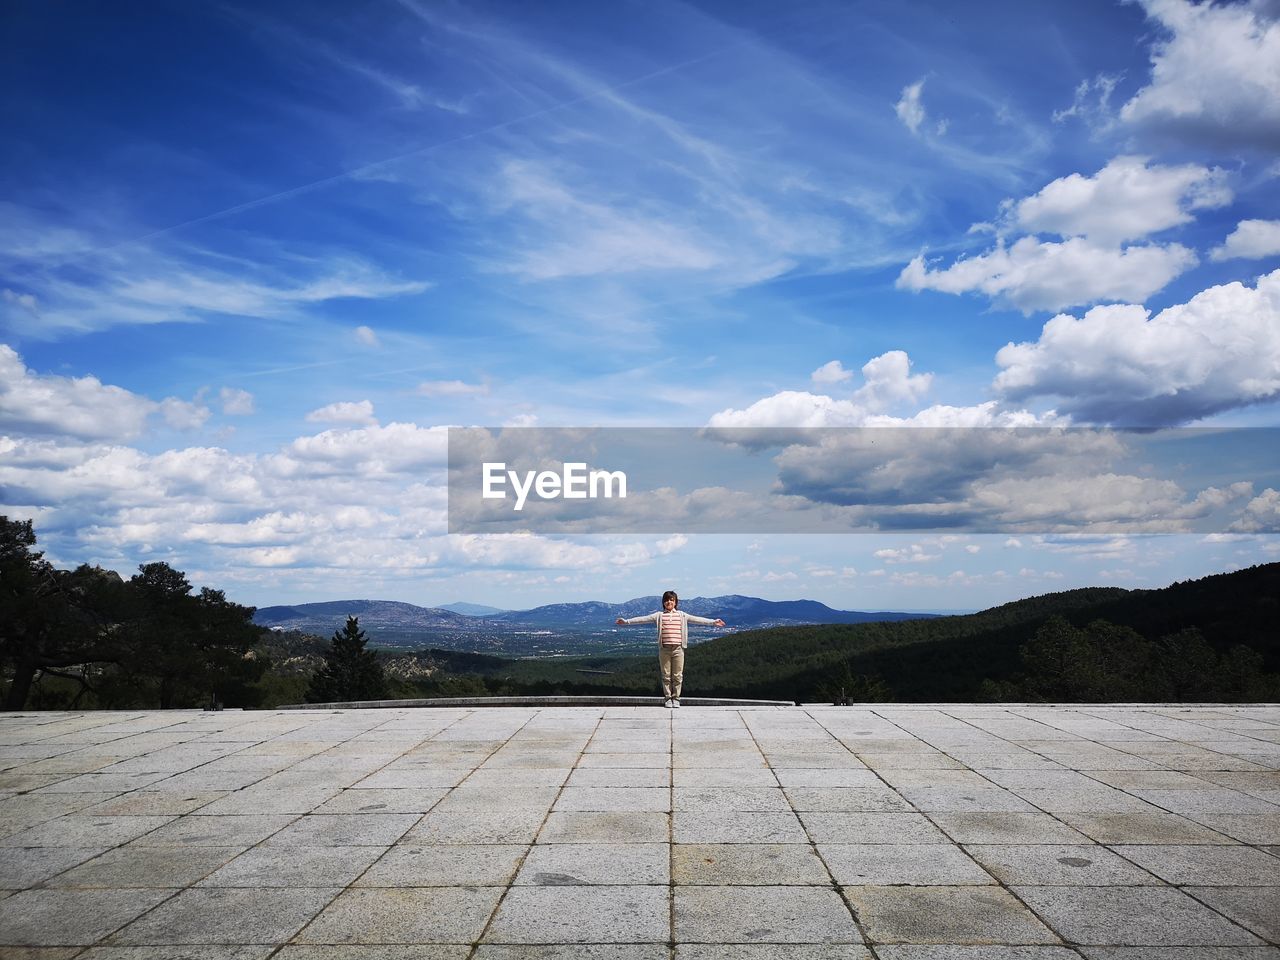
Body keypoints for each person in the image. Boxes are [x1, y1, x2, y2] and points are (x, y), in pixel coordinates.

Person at [616, 590, 725, 708]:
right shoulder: (659, 615)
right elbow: (643, 619)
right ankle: (668, 698)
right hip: (664, 649)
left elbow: (698, 619)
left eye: (671, 600)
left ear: (675, 602)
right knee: (666, 675)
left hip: (678, 649)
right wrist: (627, 622)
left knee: (678, 675)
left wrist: (713, 622)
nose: (669, 602)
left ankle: (676, 698)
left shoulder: (682, 615)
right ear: (663, 602)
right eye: (666, 600)